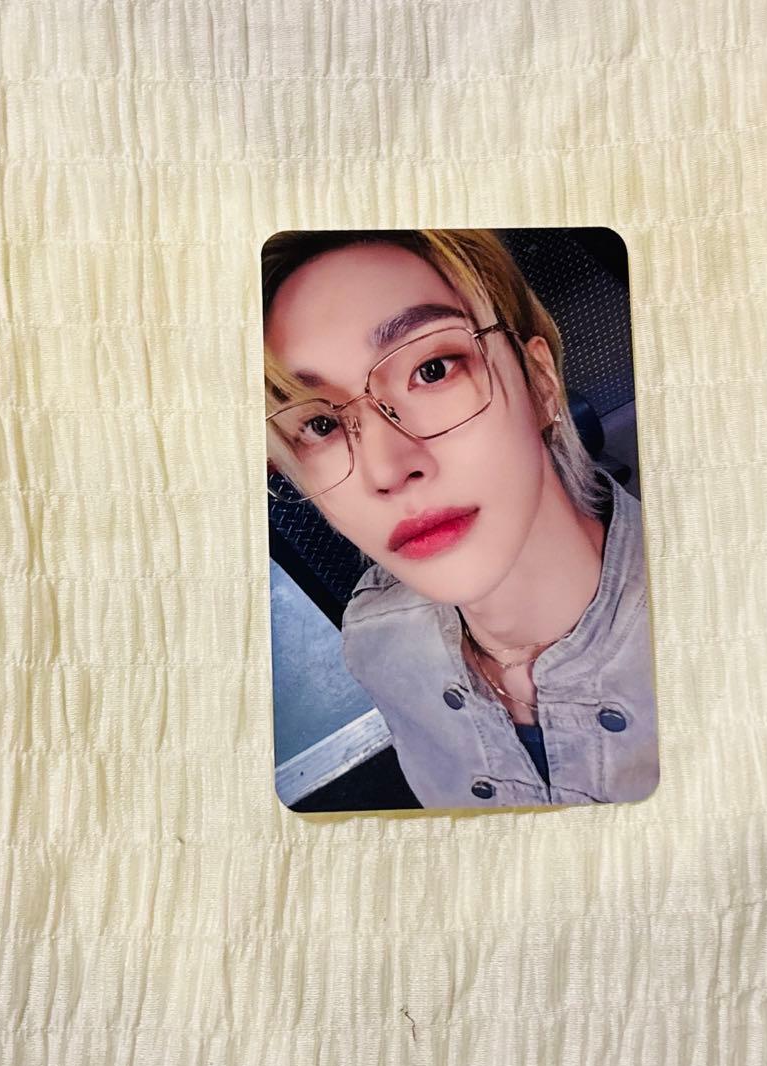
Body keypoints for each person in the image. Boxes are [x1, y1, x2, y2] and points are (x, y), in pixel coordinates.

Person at [263, 230, 658, 809]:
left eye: (432, 369)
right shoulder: (378, 644)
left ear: (540, 382)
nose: (387, 468)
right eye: (320, 426)